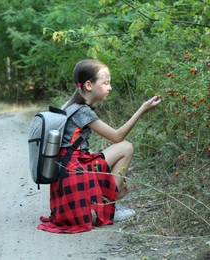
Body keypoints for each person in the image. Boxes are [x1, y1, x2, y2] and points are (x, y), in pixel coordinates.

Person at [38, 59, 161, 233]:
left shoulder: (71, 106)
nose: (110, 88)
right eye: (105, 83)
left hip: (66, 177)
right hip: (73, 175)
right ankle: (109, 205)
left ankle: (105, 202)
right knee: (126, 147)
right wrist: (142, 109)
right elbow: (118, 136)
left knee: (104, 156)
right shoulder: (82, 111)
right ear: (89, 85)